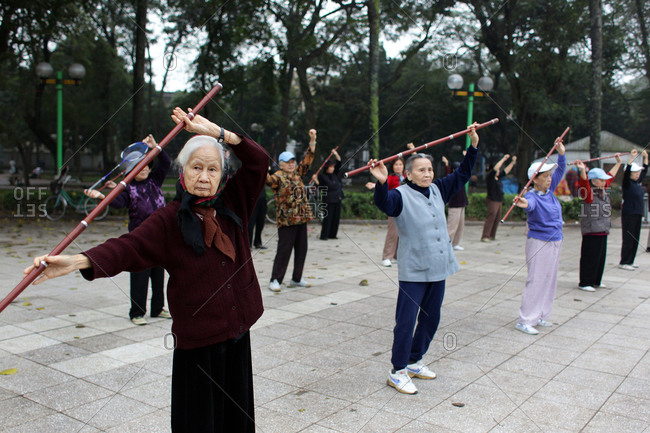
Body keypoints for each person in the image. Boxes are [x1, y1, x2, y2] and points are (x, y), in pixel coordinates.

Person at [24, 107, 269, 432]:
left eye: (213, 169)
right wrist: (77, 261)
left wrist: (220, 133)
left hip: (238, 333)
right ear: (182, 172)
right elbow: (129, 247)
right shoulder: (169, 220)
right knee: (199, 423)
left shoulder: (236, 203)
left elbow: (259, 162)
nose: (205, 177)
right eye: (197, 168)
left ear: (222, 176)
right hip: (197, 345)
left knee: (236, 419)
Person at [370, 124, 480, 395]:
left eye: (429, 169)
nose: (427, 173)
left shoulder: (439, 188)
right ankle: (397, 371)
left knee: (431, 319)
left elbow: (463, 173)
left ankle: (415, 360)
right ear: (407, 174)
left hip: (438, 267)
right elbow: (384, 204)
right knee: (406, 322)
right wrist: (382, 183)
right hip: (414, 271)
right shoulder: (399, 196)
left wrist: (473, 145)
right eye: (421, 170)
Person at [84, 134, 172, 325]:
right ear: (131, 170)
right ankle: (137, 313)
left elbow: (166, 162)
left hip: (160, 237)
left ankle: (158, 308)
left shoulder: (155, 180)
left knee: (158, 275)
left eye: (147, 165)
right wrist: (100, 196)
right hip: (140, 239)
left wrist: (156, 146)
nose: (145, 169)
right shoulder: (128, 188)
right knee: (140, 275)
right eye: (140, 167)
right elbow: (116, 203)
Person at [513, 137, 566, 335]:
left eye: (549, 176)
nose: (549, 179)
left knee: (549, 279)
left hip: (555, 241)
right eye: (545, 176)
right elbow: (529, 205)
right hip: (539, 242)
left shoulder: (550, 191)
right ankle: (525, 319)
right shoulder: (531, 196)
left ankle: (542, 314)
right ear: (534, 179)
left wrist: (561, 153)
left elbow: (561, 170)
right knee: (536, 279)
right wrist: (523, 204)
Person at [266, 129, 316, 292]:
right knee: (284, 251)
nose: (291, 164)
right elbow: (266, 180)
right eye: (288, 162)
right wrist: (263, 169)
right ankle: (275, 279)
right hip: (286, 221)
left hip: (301, 219)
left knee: (302, 250)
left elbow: (307, 161)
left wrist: (312, 141)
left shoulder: (297, 174)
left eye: (293, 161)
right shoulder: (277, 177)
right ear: (280, 164)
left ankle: (296, 278)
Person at [575, 156, 622, 291]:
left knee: (600, 257)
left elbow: (610, 176)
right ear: (594, 181)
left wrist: (618, 163)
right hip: (592, 230)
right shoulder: (588, 193)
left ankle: (596, 280)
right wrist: (583, 171)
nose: (604, 182)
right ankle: (585, 282)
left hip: (603, 229)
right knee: (590, 257)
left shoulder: (602, 190)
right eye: (601, 180)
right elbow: (584, 183)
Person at [366, 143, 413, 267]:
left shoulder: (407, 177)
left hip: (406, 208)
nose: (398, 166)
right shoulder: (391, 178)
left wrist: (413, 151)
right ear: (393, 166)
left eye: (400, 164)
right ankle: (387, 256)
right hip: (394, 209)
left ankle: (396, 256)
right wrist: (374, 185)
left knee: (403, 233)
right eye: (396, 164)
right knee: (393, 233)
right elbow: (383, 185)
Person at [619, 149, 648, 270]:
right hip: (629, 214)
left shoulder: (637, 183)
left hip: (637, 214)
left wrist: (645, 158)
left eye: (638, 173)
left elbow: (645, 171)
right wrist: (631, 158)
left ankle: (630, 260)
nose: (637, 174)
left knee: (635, 238)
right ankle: (624, 261)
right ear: (630, 173)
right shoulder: (627, 183)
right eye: (635, 172)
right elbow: (626, 174)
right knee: (628, 238)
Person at [482, 154, 516, 242]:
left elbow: (506, 171)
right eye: (497, 170)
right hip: (492, 201)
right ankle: (485, 236)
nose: (498, 171)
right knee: (491, 217)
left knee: (497, 218)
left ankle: (492, 235)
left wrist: (513, 162)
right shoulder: (490, 177)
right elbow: (495, 168)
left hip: (499, 200)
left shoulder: (498, 177)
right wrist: (503, 159)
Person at [313, 148, 343, 240]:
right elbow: (320, 187)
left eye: (333, 167)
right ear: (327, 167)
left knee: (336, 218)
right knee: (328, 218)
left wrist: (335, 154)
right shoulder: (322, 176)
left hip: (337, 197)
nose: (333, 168)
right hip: (328, 199)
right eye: (331, 167)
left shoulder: (335, 174)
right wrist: (316, 180)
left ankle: (333, 234)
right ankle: (324, 235)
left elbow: (339, 162)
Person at [443, 155, 468, 251]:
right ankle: (446, 244)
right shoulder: (451, 179)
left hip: (462, 204)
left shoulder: (461, 178)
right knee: (452, 226)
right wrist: (446, 165)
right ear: (453, 170)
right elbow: (447, 174)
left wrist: (466, 156)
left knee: (460, 226)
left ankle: (455, 243)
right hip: (454, 205)